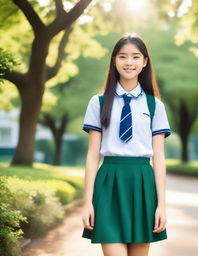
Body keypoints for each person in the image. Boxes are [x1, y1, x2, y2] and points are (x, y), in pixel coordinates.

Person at [81, 32, 171, 256]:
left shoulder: (155, 106)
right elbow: (93, 155)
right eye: (122, 57)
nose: (129, 62)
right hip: (109, 183)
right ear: (114, 61)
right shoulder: (98, 102)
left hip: (142, 183)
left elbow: (159, 158)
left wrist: (162, 205)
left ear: (144, 62)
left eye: (135, 57)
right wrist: (87, 202)